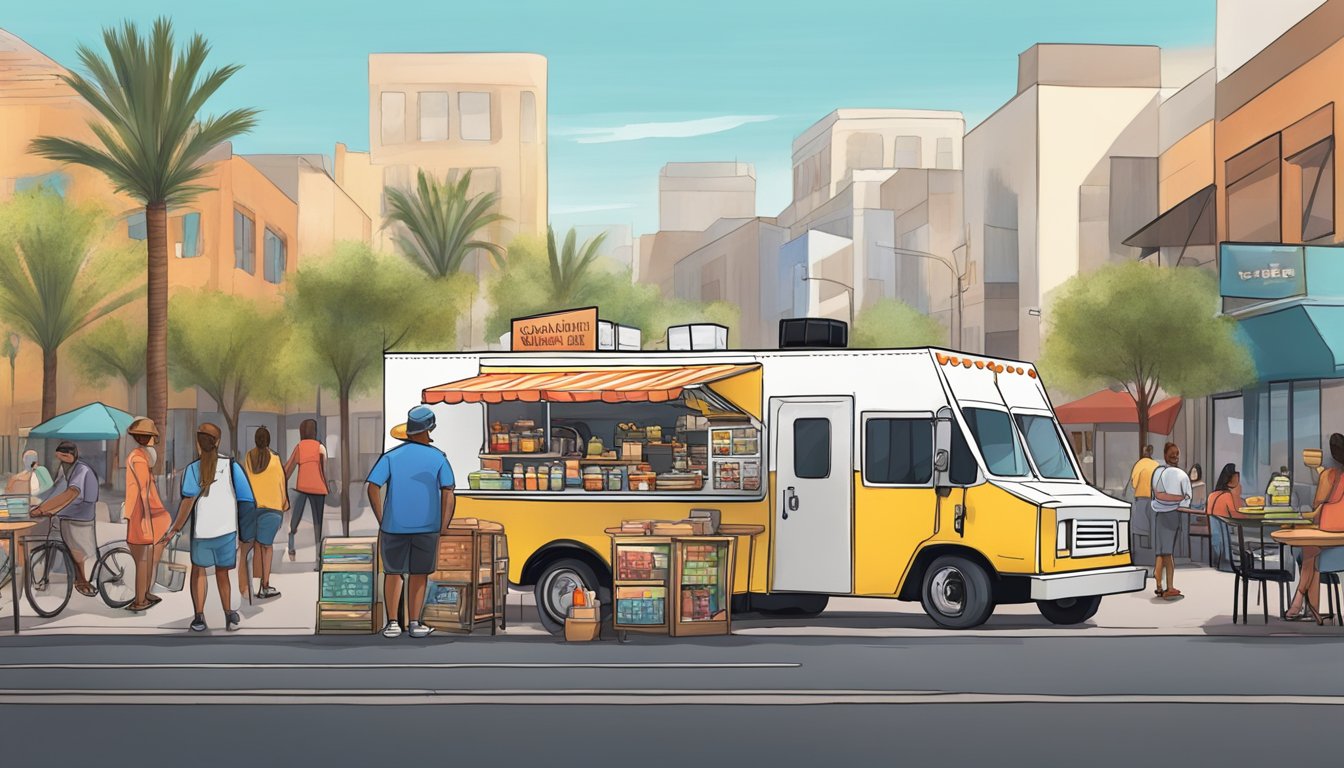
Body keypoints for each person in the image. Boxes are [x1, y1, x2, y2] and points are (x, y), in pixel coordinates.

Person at [366, 405, 456, 639]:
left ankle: (393, 623)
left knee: (393, 573)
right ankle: (415, 623)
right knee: (419, 574)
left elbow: (372, 487)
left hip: (393, 526)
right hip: (427, 527)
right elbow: (448, 491)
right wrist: (444, 525)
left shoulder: (391, 456)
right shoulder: (438, 457)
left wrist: (381, 518)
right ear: (428, 431)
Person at [162, 423, 255, 632]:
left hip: (201, 532)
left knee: (199, 572)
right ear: (218, 442)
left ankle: (198, 618)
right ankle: (229, 615)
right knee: (223, 574)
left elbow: (186, 504)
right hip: (227, 532)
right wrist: (246, 534)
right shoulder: (232, 466)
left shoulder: (192, 469)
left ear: (198, 443)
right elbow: (247, 500)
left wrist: (174, 530)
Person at [1286, 433, 1344, 624]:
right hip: (1341, 540)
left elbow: (1316, 503)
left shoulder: (1329, 475)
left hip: (1329, 528)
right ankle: (1312, 609)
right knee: (1312, 553)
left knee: (1309, 550)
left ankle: (1299, 599)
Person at [30, 441, 100, 598]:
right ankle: (58, 572)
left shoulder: (82, 470)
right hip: (68, 510)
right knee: (57, 536)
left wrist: (43, 509)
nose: (61, 459)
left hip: (82, 512)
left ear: (72, 455)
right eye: (59, 456)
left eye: (64, 456)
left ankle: (82, 580)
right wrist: (39, 504)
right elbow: (56, 489)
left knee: (76, 548)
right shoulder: (64, 468)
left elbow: (71, 493)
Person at [124, 418, 170, 612]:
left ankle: (146, 593)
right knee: (143, 558)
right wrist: (146, 520)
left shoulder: (141, 456)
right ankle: (140, 600)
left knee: (149, 555)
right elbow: (143, 491)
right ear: (147, 438)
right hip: (142, 513)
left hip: (150, 512)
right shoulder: (139, 458)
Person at [241, 426, 286, 601]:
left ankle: (252, 584)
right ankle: (265, 585)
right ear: (268, 440)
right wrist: (283, 506)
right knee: (267, 548)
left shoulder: (248, 458)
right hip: (273, 509)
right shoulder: (275, 459)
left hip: (253, 507)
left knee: (257, 546)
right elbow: (281, 485)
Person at [1150, 442, 1192, 600]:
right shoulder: (1181, 475)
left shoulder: (1158, 472)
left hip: (1159, 514)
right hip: (1173, 515)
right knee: (1168, 553)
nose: (1175, 455)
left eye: (1177, 453)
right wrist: (1179, 499)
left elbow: (1157, 494)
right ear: (1166, 455)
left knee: (1161, 551)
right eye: (1173, 453)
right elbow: (1187, 499)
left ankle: (1159, 585)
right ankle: (1170, 587)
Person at [285, 418, 329, 569]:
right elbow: (324, 471)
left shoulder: (299, 447)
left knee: (295, 518)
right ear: (315, 431)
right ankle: (318, 560)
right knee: (318, 524)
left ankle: (291, 546)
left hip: (302, 488)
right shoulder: (320, 447)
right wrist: (327, 487)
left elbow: (288, 470)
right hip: (319, 489)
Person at [1127, 445, 1159, 556]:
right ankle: (1154, 550)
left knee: (1139, 526)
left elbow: (1134, 482)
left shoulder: (1139, 464)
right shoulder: (1156, 465)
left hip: (1141, 498)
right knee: (1153, 526)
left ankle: (1141, 551)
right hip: (1154, 498)